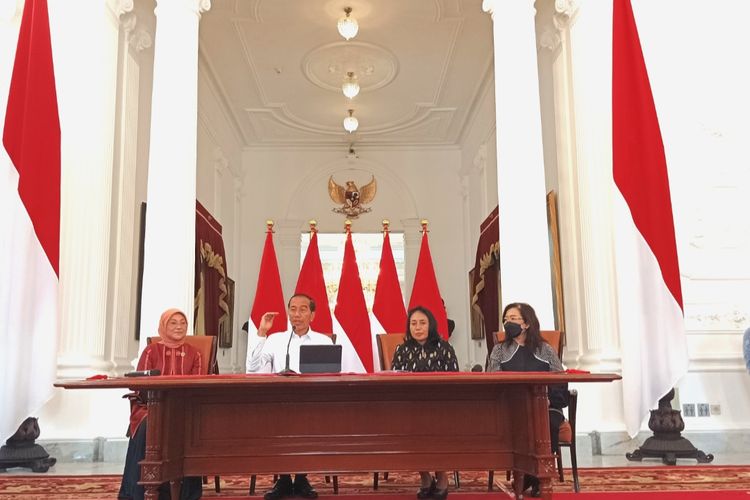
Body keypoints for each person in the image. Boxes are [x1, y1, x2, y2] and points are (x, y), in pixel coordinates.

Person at [247, 293, 330, 499]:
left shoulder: (324, 340)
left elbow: (333, 374)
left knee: (312, 425)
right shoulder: (276, 339)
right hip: (280, 401)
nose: (296, 314)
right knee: (276, 426)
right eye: (292, 309)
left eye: (303, 309)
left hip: (312, 402)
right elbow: (253, 368)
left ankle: (301, 479)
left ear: (312, 314)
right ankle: (283, 480)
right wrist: (261, 333)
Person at [118, 309, 203, 500]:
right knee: (148, 426)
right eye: (173, 322)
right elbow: (138, 384)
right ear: (164, 325)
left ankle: (187, 494)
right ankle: (137, 492)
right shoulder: (151, 351)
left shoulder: (194, 353)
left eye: (183, 322)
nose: (179, 326)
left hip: (184, 410)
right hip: (150, 408)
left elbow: (199, 385)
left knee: (193, 428)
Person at [487, 302, 568, 498]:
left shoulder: (545, 350)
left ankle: (540, 478)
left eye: (513, 319)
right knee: (518, 423)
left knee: (546, 423)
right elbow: (492, 383)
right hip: (512, 409)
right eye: (505, 319)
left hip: (546, 408)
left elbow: (560, 381)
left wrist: (548, 400)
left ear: (527, 323)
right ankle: (529, 476)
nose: (508, 323)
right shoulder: (499, 350)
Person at [391, 306, 459, 500]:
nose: (418, 327)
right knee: (410, 431)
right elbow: (393, 379)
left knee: (438, 432)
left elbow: (454, 380)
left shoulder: (444, 347)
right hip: (409, 406)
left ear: (431, 325)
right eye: (413, 323)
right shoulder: (402, 349)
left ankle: (441, 476)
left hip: (440, 406)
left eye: (422, 323)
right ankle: (425, 477)